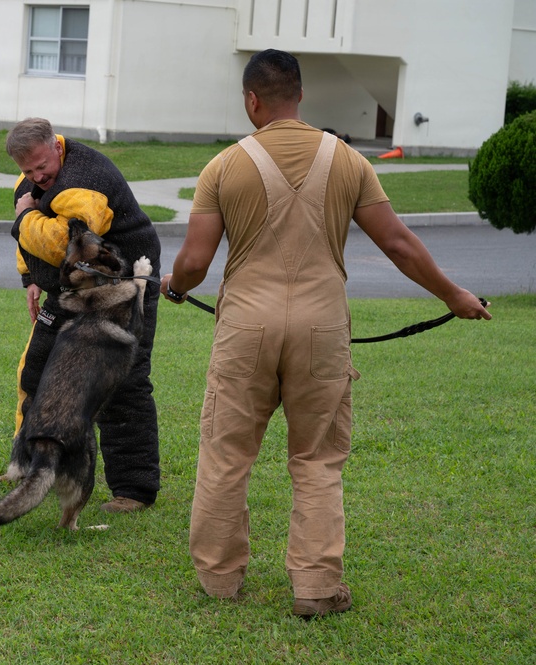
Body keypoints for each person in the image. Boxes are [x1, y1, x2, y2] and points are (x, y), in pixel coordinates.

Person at [160, 49, 490, 617]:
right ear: (300, 95)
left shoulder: (222, 166)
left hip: (244, 328)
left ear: (251, 101)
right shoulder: (350, 161)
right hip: (322, 327)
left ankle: (219, 581)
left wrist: (174, 285)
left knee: (226, 453)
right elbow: (399, 244)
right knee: (316, 461)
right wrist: (453, 295)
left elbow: (194, 262)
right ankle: (315, 587)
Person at [5, 117, 162, 513]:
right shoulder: (30, 182)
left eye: (42, 166)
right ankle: (27, 464)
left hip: (121, 284)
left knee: (123, 381)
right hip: (69, 289)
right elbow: (33, 243)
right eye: (28, 171)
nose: (37, 176)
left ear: (56, 146)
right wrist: (31, 278)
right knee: (37, 371)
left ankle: (134, 489)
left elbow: (64, 244)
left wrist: (24, 217)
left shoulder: (84, 182)